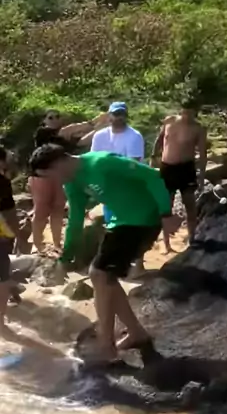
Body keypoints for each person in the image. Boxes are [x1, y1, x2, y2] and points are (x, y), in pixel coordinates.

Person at [29, 145, 179, 364]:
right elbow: (75, 219)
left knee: (99, 274)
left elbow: (153, 177)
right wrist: (66, 256)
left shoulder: (102, 162)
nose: (51, 182)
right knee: (104, 277)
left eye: (49, 175)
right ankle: (136, 333)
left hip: (144, 220)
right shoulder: (72, 183)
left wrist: (166, 213)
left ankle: (106, 345)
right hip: (120, 223)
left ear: (58, 163)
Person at [30, 109, 108, 255]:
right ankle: (37, 244)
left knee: (58, 208)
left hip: (60, 175)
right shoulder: (42, 133)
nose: (54, 119)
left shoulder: (64, 139)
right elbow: (69, 130)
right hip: (42, 175)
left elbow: (82, 141)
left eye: (57, 116)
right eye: (50, 117)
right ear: (44, 121)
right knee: (41, 210)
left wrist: (100, 128)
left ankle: (56, 243)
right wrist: (95, 121)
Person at [91, 102, 146, 276]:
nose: (119, 118)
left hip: (130, 186)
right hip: (109, 188)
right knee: (112, 225)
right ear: (109, 116)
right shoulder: (99, 136)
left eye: (122, 114)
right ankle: (114, 262)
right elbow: (93, 160)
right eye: (115, 114)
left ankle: (138, 264)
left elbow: (133, 164)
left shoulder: (134, 136)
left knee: (134, 225)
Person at [150, 101, 207, 252]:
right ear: (181, 111)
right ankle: (166, 242)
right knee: (166, 205)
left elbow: (202, 154)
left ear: (195, 113)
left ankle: (192, 237)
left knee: (190, 204)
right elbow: (160, 139)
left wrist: (201, 176)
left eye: (190, 113)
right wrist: (153, 156)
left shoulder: (198, 129)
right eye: (185, 112)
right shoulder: (170, 121)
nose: (187, 116)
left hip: (186, 168)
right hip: (167, 168)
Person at [0, 146, 30, 332]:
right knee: (2, 273)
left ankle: (10, 292)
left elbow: (10, 210)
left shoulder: (3, 182)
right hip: (3, 233)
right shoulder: (3, 182)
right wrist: (18, 236)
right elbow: (10, 212)